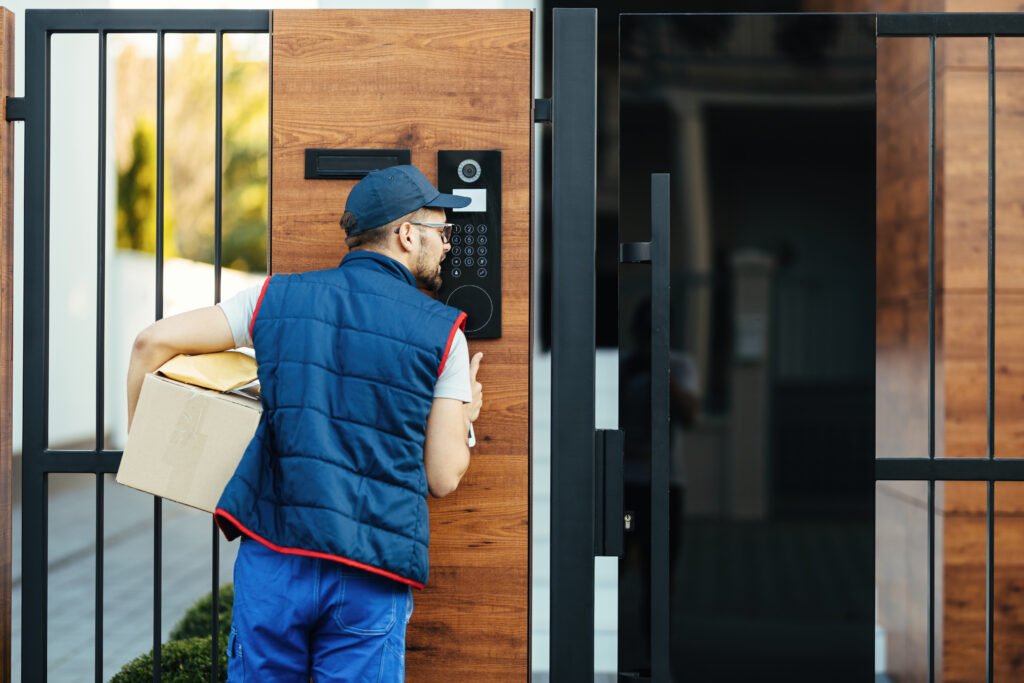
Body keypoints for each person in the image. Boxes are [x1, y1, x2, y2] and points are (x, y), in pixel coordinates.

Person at [126, 164, 484, 681]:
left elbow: (150, 343)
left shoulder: (272, 298)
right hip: (371, 568)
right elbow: (443, 475)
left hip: (275, 556)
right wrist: (464, 416)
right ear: (408, 235)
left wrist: (146, 455)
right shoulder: (444, 333)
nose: (448, 244)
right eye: (442, 231)